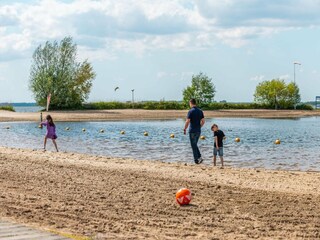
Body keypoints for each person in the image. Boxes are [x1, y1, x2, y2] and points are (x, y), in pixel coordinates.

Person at [184, 98, 205, 164]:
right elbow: (203, 121)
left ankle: (196, 160)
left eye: (189, 103)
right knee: (194, 144)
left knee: (193, 145)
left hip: (192, 130)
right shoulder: (200, 111)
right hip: (198, 130)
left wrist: (185, 128)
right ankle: (199, 158)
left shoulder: (190, 111)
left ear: (191, 103)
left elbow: (187, 121)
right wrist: (199, 126)